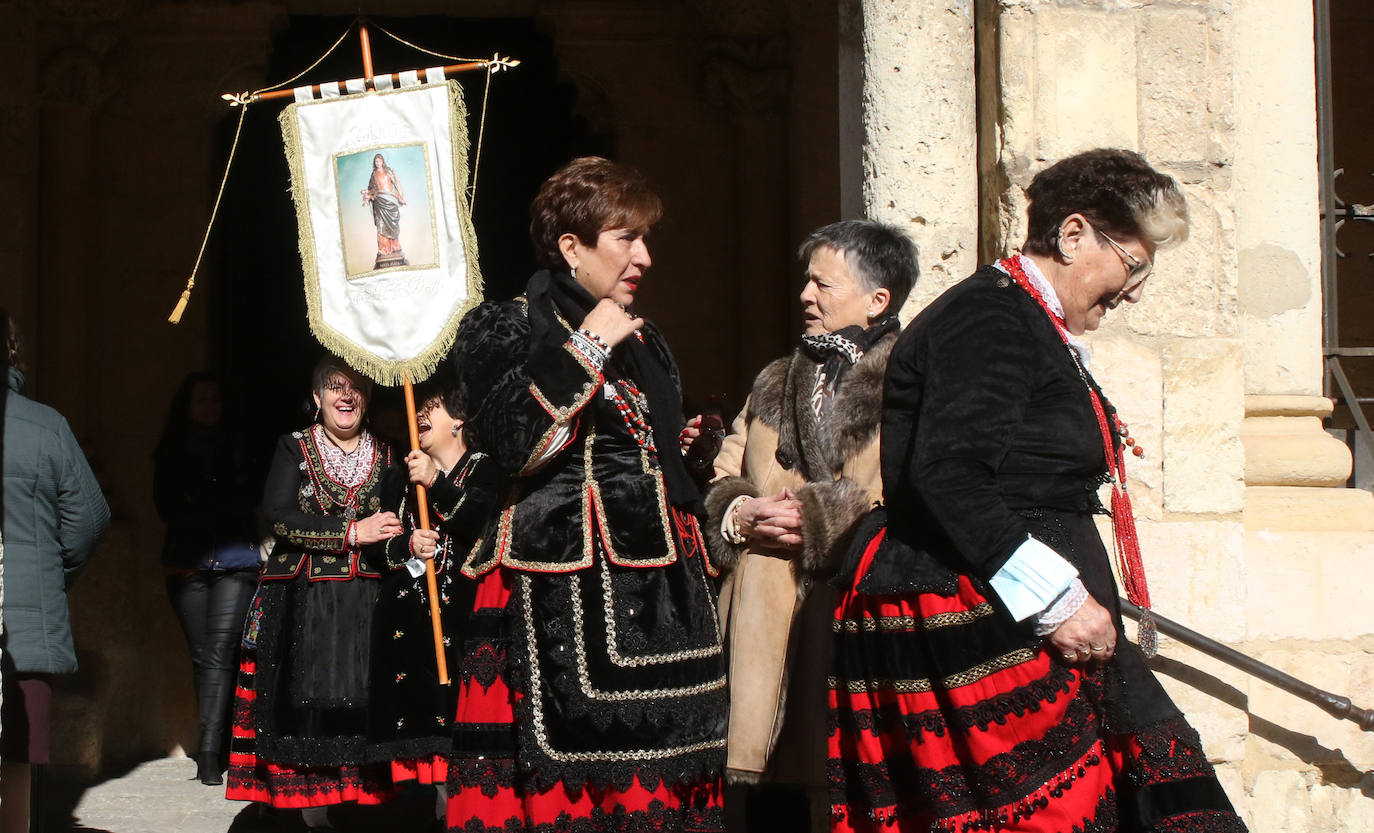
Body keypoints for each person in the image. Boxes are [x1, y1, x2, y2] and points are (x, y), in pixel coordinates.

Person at [826, 149, 1247, 833]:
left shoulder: (1021, 318)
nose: (1135, 290)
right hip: (988, 623)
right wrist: (1056, 600)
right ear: (1073, 234)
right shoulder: (988, 318)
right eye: (1132, 265)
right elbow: (949, 473)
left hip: (1028, 619)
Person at [444, 156, 727, 832]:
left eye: (645, 237)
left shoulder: (644, 338)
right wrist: (587, 348)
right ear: (571, 246)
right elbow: (510, 444)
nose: (645, 256)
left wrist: (681, 445)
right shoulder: (501, 326)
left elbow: (638, 448)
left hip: (664, 599)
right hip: (554, 596)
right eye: (626, 237)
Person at [705, 221, 918, 832]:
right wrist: (738, 513)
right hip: (757, 609)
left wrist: (820, 519)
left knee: (842, 771)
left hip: (845, 606)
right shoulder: (775, 379)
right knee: (763, 791)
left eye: (823, 283)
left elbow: (912, 488)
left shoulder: (907, 378)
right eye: (806, 281)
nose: (805, 294)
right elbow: (724, 472)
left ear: (878, 300)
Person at [226, 357, 401, 830]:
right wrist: (352, 532)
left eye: (356, 388)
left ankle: (357, 806)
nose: (346, 396)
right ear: (317, 397)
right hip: (302, 601)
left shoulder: (389, 454)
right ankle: (304, 810)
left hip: (364, 603)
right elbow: (279, 515)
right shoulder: (294, 447)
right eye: (334, 387)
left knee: (361, 704)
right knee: (301, 707)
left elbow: (394, 524)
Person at [366, 378, 500, 823]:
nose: (420, 415)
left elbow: (484, 522)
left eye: (433, 407)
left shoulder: (485, 468)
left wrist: (437, 482)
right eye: (417, 408)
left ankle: (452, 802)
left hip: (462, 618)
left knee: (456, 717)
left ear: (459, 420)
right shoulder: (396, 475)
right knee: (413, 724)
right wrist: (407, 545)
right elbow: (377, 549)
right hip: (407, 624)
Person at [0, 308, 110, 833]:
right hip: (22, 626)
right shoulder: (46, 427)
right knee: (16, 760)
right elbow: (88, 519)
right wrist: (48, 576)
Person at [154, 371, 261, 786]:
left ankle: (211, 752)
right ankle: (215, 747)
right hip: (187, 563)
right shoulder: (171, 449)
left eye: (215, 400)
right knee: (203, 656)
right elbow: (167, 506)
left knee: (219, 653)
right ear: (187, 407)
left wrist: (202, 502)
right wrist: (218, 503)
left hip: (235, 562)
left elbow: (247, 499)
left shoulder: (242, 446)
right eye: (201, 401)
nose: (210, 408)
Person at [362, 153, 407, 268]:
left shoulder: (389, 172)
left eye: (379, 161)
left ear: (382, 161)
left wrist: (400, 197)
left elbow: (397, 185)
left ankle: (395, 246)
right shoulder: (373, 175)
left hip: (391, 201)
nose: (378, 163)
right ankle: (384, 249)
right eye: (376, 161)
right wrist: (368, 195)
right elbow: (372, 189)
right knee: (381, 227)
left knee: (393, 225)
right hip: (380, 203)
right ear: (374, 163)